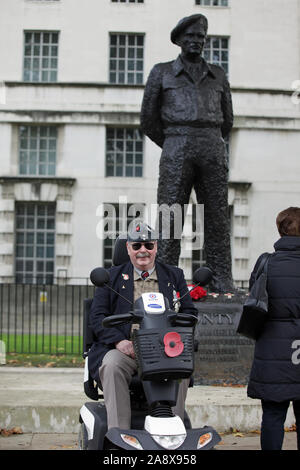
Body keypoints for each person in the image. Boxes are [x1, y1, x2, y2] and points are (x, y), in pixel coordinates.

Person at [141, 14, 234, 293]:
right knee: (171, 216)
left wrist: (210, 139)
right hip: (176, 144)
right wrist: (172, 141)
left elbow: (228, 120)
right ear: (180, 40)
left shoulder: (218, 74)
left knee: (217, 216)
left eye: (200, 37)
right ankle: (166, 280)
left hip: (211, 145)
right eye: (190, 37)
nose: (195, 41)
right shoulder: (162, 72)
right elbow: (148, 120)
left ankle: (222, 279)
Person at [88, 222, 198, 430]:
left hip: (165, 349)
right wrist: (119, 341)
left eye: (148, 245)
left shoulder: (174, 275)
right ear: (128, 248)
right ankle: (119, 433)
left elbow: (189, 312)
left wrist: (177, 337)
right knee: (111, 365)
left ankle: (173, 433)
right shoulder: (111, 277)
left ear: (156, 247)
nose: (143, 251)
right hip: (126, 350)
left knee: (181, 367)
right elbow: (97, 317)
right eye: (137, 246)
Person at [247, 207, 300, 450]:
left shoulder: (266, 262)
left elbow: (254, 298)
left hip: (271, 350)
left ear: (280, 229)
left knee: (272, 417)